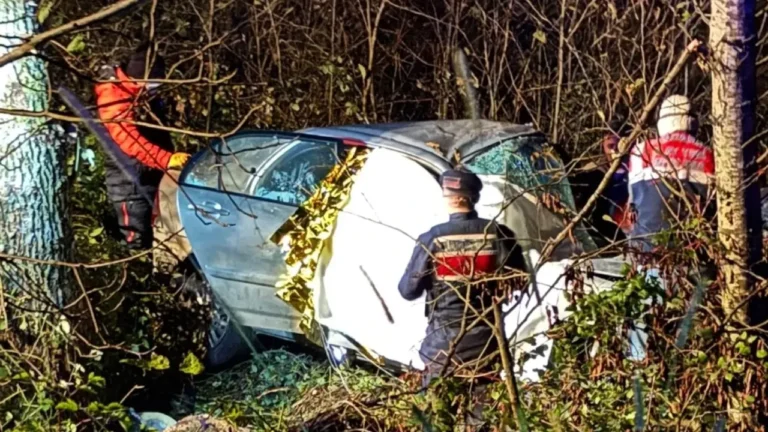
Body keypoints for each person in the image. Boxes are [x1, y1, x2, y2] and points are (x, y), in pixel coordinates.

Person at [398, 167, 526, 427]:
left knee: (436, 421)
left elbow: (407, 291)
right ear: (474, 197)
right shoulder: (498, 234)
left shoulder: (433, 238)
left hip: (443, 349)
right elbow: (519, 279)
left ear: (448, 197)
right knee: (481, 423)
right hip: (486, 347)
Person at [94, 45, 190, 250]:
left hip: (152, 175)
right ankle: (132, 266)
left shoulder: (143, 93)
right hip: (128, 182)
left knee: (163, 232)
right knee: (135, 239)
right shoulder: (113, 96)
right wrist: (165, 159)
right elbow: (129, 140)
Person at [627, 94, 715, 255]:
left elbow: (633, 206)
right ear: (692, 121)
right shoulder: (708, 155)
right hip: (691, 251)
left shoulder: (641, 151)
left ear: (662, 122)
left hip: (644, 250)